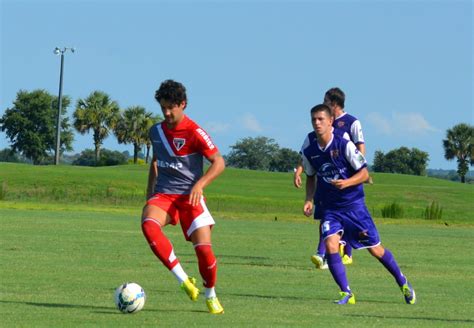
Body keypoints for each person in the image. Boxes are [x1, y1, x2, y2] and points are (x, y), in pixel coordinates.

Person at [300, 104, 416, 305]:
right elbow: (310, 176)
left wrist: (346, 183)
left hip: (354, 207)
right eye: (313, 120)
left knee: (375, 250)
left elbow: (364, 173)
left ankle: (402, 281)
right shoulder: (310, 150)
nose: (317, 123)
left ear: (330, 121)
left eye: (321, 119)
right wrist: (309, 199)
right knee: (330, 244)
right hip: (331, 208)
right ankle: (346, 292)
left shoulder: (344, 145)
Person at [141, 80, 226, 314]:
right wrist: (150, 192)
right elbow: (156, 161)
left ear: (183, 104)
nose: (167, 113)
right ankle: (184, 280)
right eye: (163, 108)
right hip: (165, 195)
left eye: (171, 107)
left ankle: (210, 294)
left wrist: (200, 184)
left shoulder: (195, 132)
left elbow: (219, 162)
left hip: (190, 198)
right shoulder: (156, 132)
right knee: (148, 226)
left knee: (204, 251)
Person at [295, 87, 368, 268]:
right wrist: (298, 170)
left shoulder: (351, 123)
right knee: (327, 217)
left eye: (326, 101)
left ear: (333, 104)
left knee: (347, 219)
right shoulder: (314, 134)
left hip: (347, 181)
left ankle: (345, 252)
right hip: (326, 180)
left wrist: (359, 173)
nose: (318, 121)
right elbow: (307, 155)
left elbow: (359, 148)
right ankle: (323, 254)